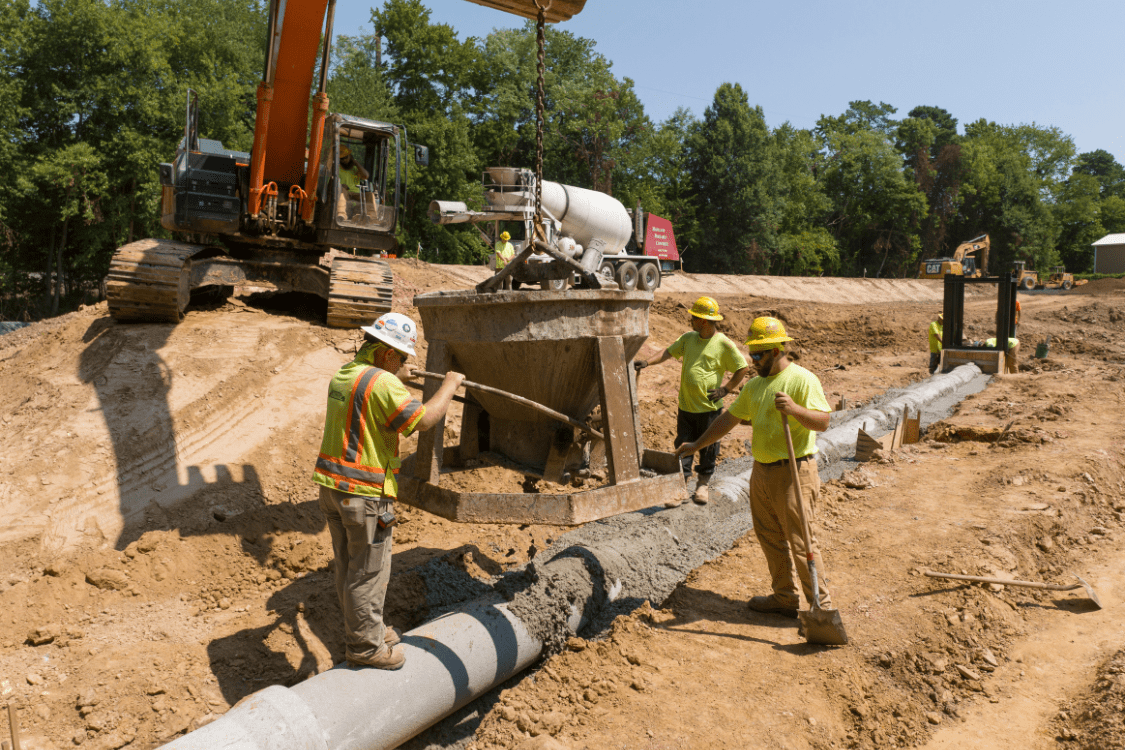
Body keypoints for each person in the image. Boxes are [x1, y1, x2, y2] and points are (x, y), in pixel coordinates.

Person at [313, 312, 464, 669]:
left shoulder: (346, 374)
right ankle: (366, 648)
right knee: (369, 572)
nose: (405, 364)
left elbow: (372, 402)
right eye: (402, 358)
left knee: (349, 568)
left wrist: (396, 375)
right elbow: (423, 420)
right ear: (385, 353)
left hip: (333, 488)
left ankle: (369, 630)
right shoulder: (383, 383)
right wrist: (450, 384)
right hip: (365, 495)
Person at [675, 316, 834, 619]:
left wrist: (794, 409)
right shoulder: (755, 386)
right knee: (769, 536)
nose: (753, 361)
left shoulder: (802, 379)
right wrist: (696, 445)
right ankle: (785, 597)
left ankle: (821, 607)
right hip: (761, 471)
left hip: (794, 471)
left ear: (776, 351)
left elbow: (823, 422)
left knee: (801, 540)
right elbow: (728, 420)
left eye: (758, 355)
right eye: (751, 354)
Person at [633, 296, 749, 506]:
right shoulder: (688, 339)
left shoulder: (723, 343)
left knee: (709, 447)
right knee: (683, 445)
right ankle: (681, 487)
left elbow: (742, 367)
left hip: (709, 409)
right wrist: (647, 362)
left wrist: (726, 389)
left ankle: (702, 484)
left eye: (694, 317)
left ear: (703, 321)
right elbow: (668, 352)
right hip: (686, 407)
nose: (691, 320)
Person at [336, 145, 370, 222]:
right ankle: (341, 215)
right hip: (344, 194)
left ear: (350, 156)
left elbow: (365, 176)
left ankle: (372, 218)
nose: (344, 160)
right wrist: (340, 185)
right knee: (342, 191)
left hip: (357, 194)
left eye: (346, 157)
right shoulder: (336, 168)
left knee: (369, 195)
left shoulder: (356, 169)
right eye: (341, 158)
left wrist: (356, 163)